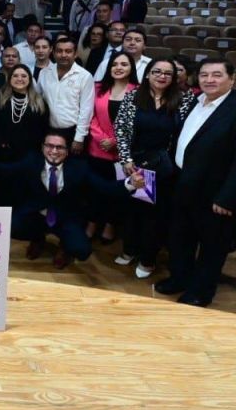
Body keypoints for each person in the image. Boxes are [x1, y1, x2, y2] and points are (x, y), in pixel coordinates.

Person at [154, 59, 236, 307]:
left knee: (212, 246)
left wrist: (228, 197)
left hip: (215, 194)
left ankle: (201, 292)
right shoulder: (194, 101)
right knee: (180, 238)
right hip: (183, 184)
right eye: (204, 75)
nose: (209, 80)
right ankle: (179, 278)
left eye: (217, 75)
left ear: (232, 79)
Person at [115, 57, 196, 278]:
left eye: (168, 73)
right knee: (132, 211)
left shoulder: (184, 99)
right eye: (157, 71)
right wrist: (126, 160)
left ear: (174, 77)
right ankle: (130, 249)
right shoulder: (133, 96)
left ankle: (148, 259)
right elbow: (121, 129)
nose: (162, 76)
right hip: (134, 163)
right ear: (147, 74)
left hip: (164, 167)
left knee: (155, 216)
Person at [0, 132, 104, 268]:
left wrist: (124, 183)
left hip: (65, 218)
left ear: (67, 151)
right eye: (49, 146)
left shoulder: (79, 167)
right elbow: (5, 170)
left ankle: (64, 247)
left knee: (81, 250)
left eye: (59, 147)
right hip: (38, 215)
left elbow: (104, 186)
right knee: (12, 226)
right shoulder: (32, 161)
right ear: (42, 147)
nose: (54, 151)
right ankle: (37, 238)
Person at [87, 50, 138, 242]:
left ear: (131, 68)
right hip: (97, 149)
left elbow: (137, 122)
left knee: (118, 191)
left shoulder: (138, 91)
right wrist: (102, 138)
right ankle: (92, 222)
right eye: (115, 64)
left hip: (122, 155)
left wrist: (116, 141)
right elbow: (90, 115)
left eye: (124, 64)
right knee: (94, 190)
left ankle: (110, 224)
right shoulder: (98, 88)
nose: (118, 67)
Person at [39, 38, 95, 154]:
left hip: (72, 132)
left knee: (72, 164)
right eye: (59, 51)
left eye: (68, 51)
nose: (63, 55)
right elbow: (38, 100)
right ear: (53, 53)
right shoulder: (44, 73)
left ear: (75, 54)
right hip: (47, 130)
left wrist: (79, 138)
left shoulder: (84, 76)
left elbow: (87, 109)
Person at [0, 65, 47, 165]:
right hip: (0, 153)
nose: (19, 79)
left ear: (30, 79)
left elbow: (43, 129)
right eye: (15, 76)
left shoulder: (39, 101)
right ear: (9, 79)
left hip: (29, 156)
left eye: (24, 76)